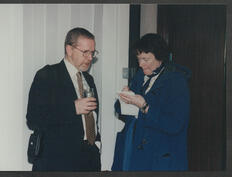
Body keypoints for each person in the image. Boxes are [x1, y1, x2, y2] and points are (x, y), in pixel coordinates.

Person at [112, 33, 191, 171]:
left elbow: (175, 124)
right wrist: (124, 99)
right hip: (134, 147)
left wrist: (145, 106)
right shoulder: (140, 75)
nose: (141, 64)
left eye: (146, 59)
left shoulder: (177, 81)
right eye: (139, 59)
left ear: (159, 57)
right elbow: (121, 111)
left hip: (159, 155)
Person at [26, 27, 101, 171]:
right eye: (85, 52)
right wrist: (73, 108)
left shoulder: (89, 80)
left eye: (92, 53)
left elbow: (94, 118)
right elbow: (34, 118)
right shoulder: (47, 75)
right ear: (69, 49)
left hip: (89, 161)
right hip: (57, 162)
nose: (90, 58)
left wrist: (97, 145)